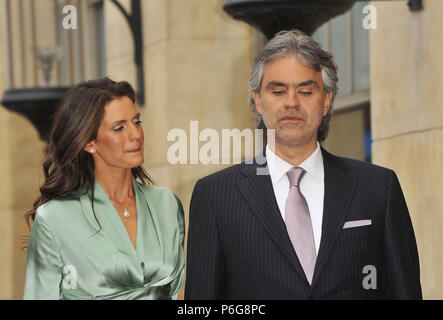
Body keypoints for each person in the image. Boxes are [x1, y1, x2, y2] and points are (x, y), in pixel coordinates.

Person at [185, 30, 422, 299]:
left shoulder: (379, 188)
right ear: (259, 101)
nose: (292, 103)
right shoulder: (215, 196)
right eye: (278, 91)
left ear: (326, 101)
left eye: (306, 91)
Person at [23, 78, 185, 300]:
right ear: (89, 143)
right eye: (119, 128)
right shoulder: (54, 218)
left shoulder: (166, 204)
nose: (135, 135)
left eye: (137, 122)